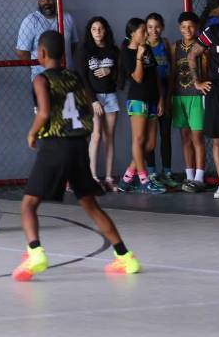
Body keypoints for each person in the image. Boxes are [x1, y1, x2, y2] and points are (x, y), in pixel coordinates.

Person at [11, 31, 140, 281]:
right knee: (90, 205)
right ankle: (125, 256)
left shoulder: (40, 79)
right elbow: (89, 107)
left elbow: (45, 112)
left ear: (42, 53)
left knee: (28, 204)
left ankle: (35, 251)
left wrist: (31, 133)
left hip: (55, 146)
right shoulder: (76, 77)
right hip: (78, 145)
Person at [187, 0, 219, 199]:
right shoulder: (212, 31)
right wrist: (197, 82)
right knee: (217, 140)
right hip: (217, 93)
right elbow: (192, 54)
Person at [117, 18, 166, 194]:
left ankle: (128, 177)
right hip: (137, 100)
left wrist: (161, 99)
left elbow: (155, 76)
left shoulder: (148, 49)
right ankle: (144, 180)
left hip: (152, 100)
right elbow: (137, 78)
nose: (146, 34)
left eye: (147, 31)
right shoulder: (128, 53)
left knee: (151, 143)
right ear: (133, 33)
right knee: (138, 140)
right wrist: (139, 56)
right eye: (143, 31)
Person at [76, 16, 119, 192]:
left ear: (106, 30)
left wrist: (110, 70)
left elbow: (120, 75)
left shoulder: (113, 50)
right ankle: (93, 177)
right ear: (89, 31)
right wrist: (92, 100)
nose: (98, 32)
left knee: (110, 137)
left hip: (110, 96)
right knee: (96, 135)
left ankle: (109, 177)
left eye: (100, 28)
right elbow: (82, 77)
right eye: (94, 29)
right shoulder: (84, 49)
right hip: (93, 98)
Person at [169, 12, 207, 193]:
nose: (187, 30)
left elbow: (206, 70)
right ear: (179, 28)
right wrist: (169, 96)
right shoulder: (175, 47)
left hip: (197, 96)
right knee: (184, 137)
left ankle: (199, 177)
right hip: (179, 96)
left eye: (191, 26)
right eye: (183, 26)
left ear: (197, 27)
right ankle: (189, 176)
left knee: (197, 137)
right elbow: (172, 73)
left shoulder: (202, 46)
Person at [16, 0, 79, 80]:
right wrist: (39, 65)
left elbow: (73, 45)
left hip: (67, 77)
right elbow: (22, 53)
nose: (46, 2)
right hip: (44, 79)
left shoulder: (67, 18)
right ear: (38, 0)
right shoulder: (30, 20)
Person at [145, 12, 179, 188]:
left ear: (162, 27)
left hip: (165, 93)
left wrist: (168, 96)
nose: (154, 30)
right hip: (149, 94)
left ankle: (167, 172)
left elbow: (172, 70)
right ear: (145, 28)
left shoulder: (165, 44)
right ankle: (151, 172)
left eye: (157, 26)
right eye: (150, 27)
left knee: (165, 135)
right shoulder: (142, 46)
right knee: (149, 137)